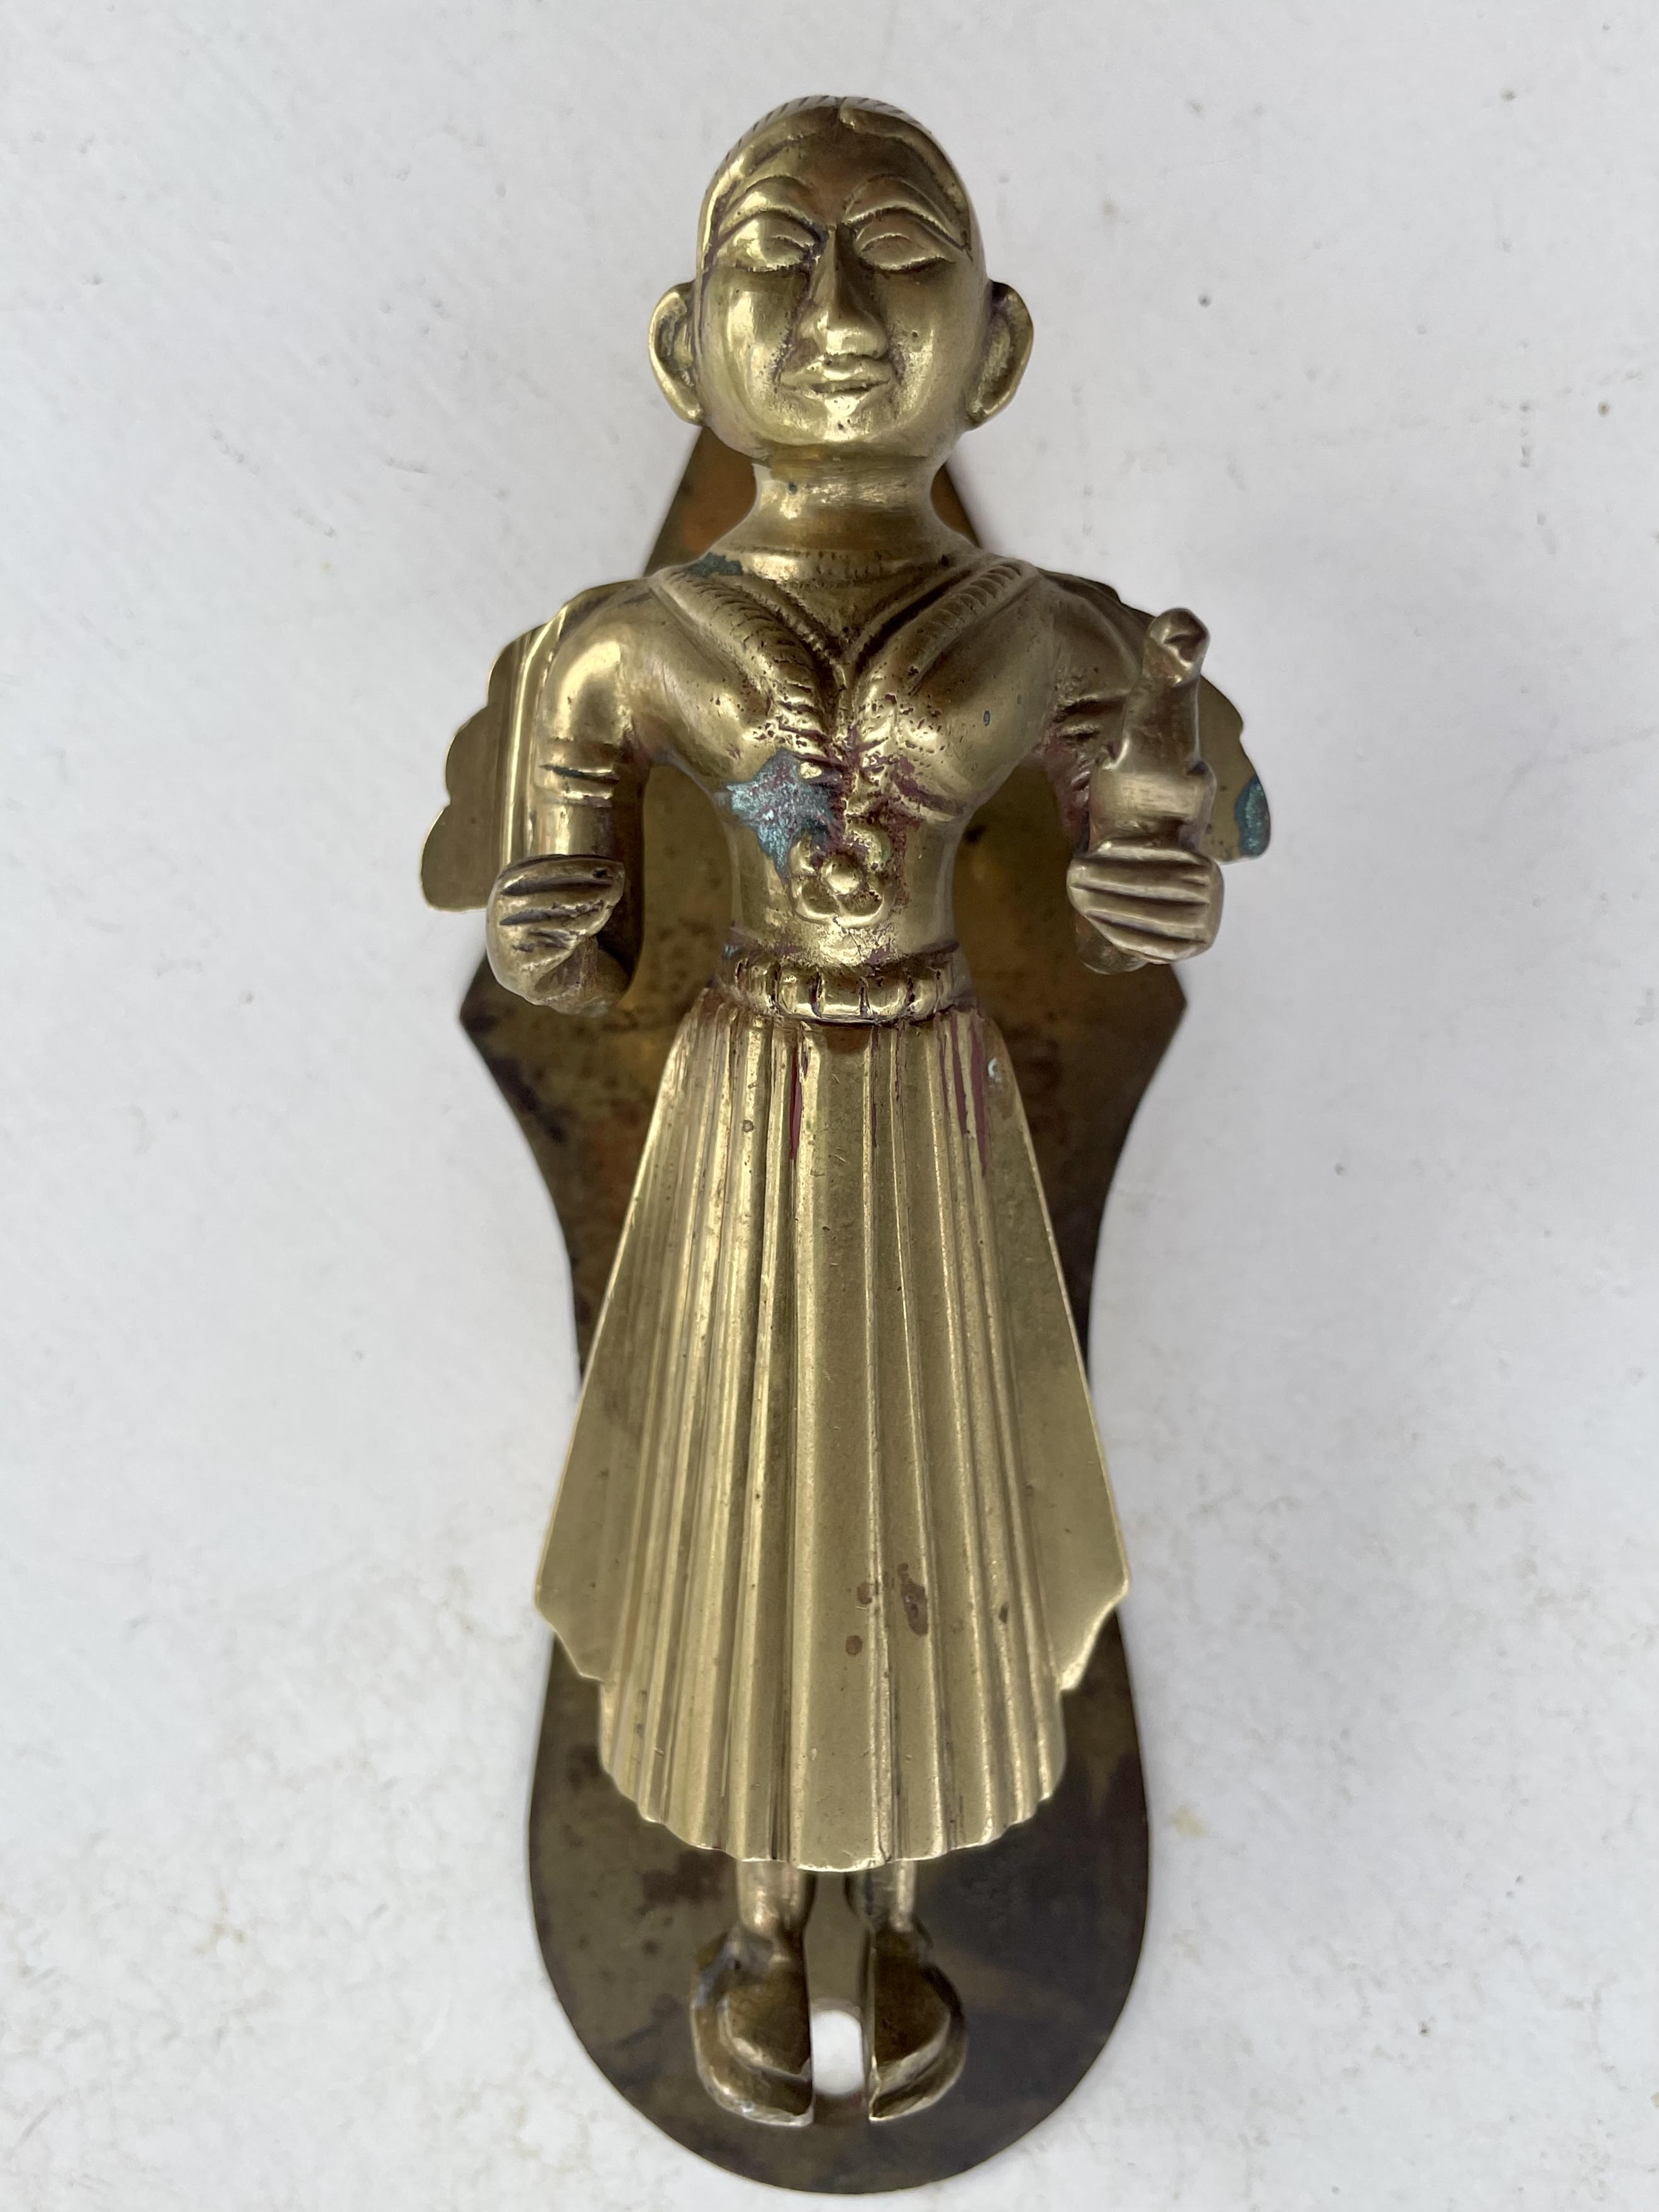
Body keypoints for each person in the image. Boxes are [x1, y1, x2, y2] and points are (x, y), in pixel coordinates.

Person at [484, 96, 1223, 2126]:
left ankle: (895, 1902)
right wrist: (553, 941)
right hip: (736, 1104)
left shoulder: (1058, 637)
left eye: (898, 255)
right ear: (685, 353)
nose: (832, 312)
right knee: (744, 1473)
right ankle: (750, 1918)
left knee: (927, 1471)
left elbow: (1167, 828)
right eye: (772, 259)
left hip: (938, 1099)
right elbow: (563, 947)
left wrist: (1158, 885)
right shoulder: (613, 651)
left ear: (997, 346)